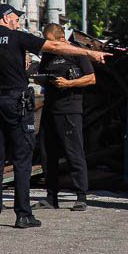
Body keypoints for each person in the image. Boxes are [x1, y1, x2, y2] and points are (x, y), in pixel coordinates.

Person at [0, 4, 107, 229]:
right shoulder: (16, 37)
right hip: (17, 103)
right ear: (5, 18)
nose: (17, 21)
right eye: (15, 18)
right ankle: (23, 214)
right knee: (22, 159)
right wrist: (90, 52)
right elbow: (54, 46)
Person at [37, 23, 94, 211]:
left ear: (62, 39)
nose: (50, 46)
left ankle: (81, 196)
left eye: (52, 42)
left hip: (70, 109)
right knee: (47, 154)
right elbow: (43, 73)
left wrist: (69, 83)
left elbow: (91, 78)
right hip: (50, 108)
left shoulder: (77, 52)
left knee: (74, 152)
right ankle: (51, 196)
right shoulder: (48, 54)